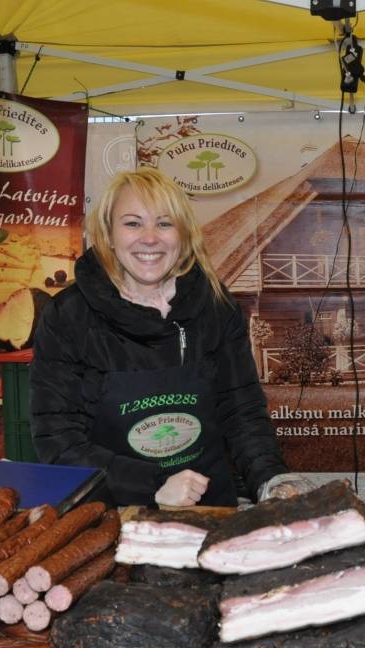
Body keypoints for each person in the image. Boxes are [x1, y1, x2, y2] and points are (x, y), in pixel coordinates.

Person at [30, 167, 308, 507]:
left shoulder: (216, 306)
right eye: (132, 223)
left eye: (164, 223)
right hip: (112, 515)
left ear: (184, 233)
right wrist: (153, 486)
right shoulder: (68, 318)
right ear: (108, 233)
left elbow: (242, 412)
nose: (150, 238)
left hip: (209, 509)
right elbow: (58, 444)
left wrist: (270, 480)